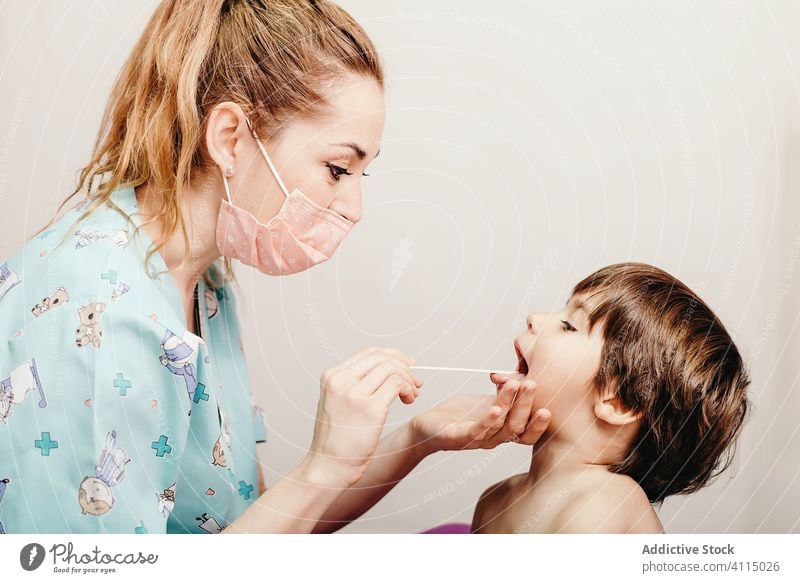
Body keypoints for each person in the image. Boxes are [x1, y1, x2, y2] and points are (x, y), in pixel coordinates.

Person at [0, 0, 550, 534]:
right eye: (338, 169)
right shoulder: (96, 317)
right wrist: (323, 466)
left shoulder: (204, 282)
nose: (354, 210)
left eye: (364, 174)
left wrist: (419, 439)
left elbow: (253, 531)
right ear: (230, 138)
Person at [470, 263, 751, 533]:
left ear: (618, 402)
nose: (534, 317)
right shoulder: (494, 501)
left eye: (569, 325)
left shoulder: (608, 500)